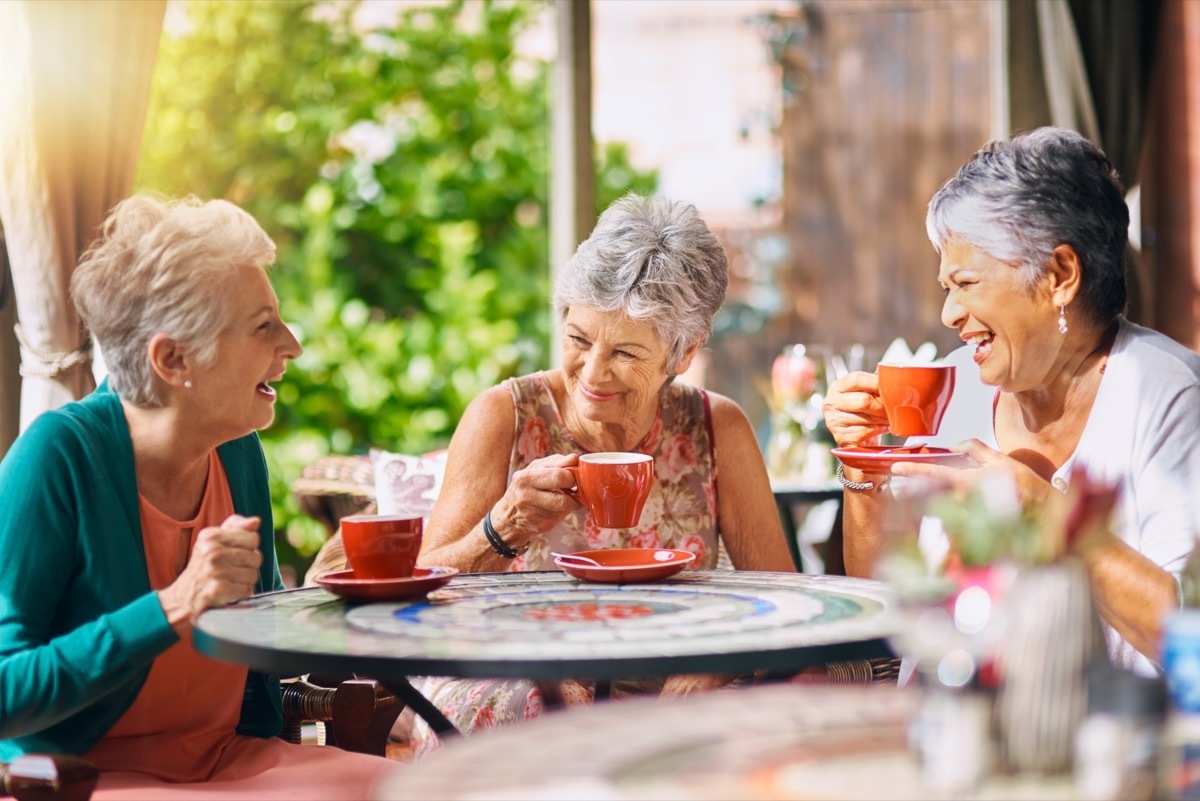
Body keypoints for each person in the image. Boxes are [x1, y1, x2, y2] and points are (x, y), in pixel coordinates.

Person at [0, 195, 397, 799]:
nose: (291, 345)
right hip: (86, 777)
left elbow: (258, 640)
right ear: (173, 358)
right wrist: (172, 606)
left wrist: (354, 603)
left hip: (231, 762)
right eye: (264, 326)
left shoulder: (236, 450)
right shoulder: (57, 457)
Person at [395, 193, 794, 754]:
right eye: (579, 339)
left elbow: (784, 601)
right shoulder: (504, 414)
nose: (593, 371)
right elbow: (415, 590)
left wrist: (717, 666)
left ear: (683, 354)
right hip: (508, 675)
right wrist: (502, 527)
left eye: (626, 353)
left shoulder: (717, 428)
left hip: (668, 689)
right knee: (551, 718)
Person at [822, 126, 1200, 676]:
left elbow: (1186, 633)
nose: (949, 314)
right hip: (948, 722)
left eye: (967, 283)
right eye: (945, 288)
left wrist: (1043, 511)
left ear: (1059, 276)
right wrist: (863, 467)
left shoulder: (1166, 395)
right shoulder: (953, 384)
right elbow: (887, 607)